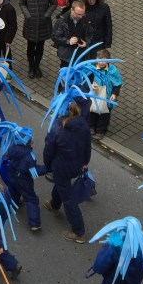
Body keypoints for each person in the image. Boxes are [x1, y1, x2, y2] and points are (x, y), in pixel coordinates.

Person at [43, 102, 93, 243]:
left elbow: (48, 151)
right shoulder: (83, 125)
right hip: (76, 165)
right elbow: (87, 146)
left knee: (68, 199)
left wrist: (48, 166)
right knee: (61, 185)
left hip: (61, 166)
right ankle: (54, 205)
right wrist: (85, 161)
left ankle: (79, 231)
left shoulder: (57, 128)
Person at [19, 0, 57, 79]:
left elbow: (54, 3)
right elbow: (22, 3)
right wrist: (28, 15)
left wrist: (46, 15)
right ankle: (31, 67)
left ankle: (37, 66)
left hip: (43, 24)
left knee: (40, 47)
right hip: (30, 23)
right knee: (30, 47)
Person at [88, 50, 123, 139]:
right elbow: (85, 79)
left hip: (107, 96)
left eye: (104, 60)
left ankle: (101, 130)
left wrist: (114, 94)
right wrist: (91, 84)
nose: (101, 62)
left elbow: (117, 83)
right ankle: (91, 127)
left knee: (104, 114)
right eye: (99, 60)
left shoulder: (112, 70)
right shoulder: (91, 68)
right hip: (94, 95)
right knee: (92, 112)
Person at [52, 0, 93, 68]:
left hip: (81, 54)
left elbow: (91, 34)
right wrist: (68, 41)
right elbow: (55, 36)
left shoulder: (85, 19)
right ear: (72, 10)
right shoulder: (62, 21)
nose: (81, 17)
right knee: (66, 74)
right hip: (67, 55)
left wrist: (86, 43)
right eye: (78, 14)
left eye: (82, 14)